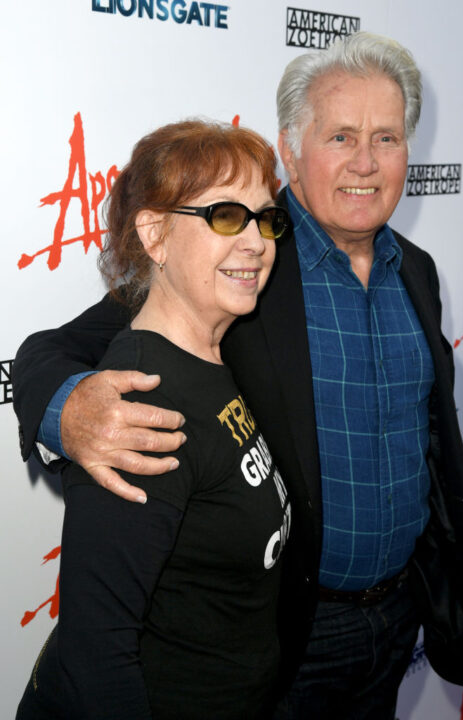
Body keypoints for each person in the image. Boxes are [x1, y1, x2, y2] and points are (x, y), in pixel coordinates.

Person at [14, 32, 463, 720]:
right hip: (291, 633)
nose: (365, 161)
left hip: (400, 616)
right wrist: (69, 410)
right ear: (290, 151)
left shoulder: (414, 269)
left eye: (386, 138)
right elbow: (55, 346)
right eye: (340, 137)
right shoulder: (239, 256)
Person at [16, 119, 292, 720]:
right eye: (225, 216)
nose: (256, 242)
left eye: (267, 219)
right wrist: (66, 410)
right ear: (155, 234)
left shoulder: (213, 346)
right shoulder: (137, 408)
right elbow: (98, 657)